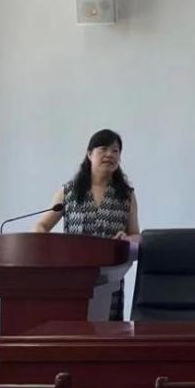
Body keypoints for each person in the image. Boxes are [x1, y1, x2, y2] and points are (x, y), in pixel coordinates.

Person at [34, 128, 140, 320]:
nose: (110, 154)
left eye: (115, 151)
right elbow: (41, 226)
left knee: (108, 333)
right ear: (90, 154)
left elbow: (136, 235)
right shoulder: (69, 192)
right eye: (103, 149)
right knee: (74, 330)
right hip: (73, 279)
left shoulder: (126, 195)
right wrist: (49, 253)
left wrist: (127, 239)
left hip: (110, 279)